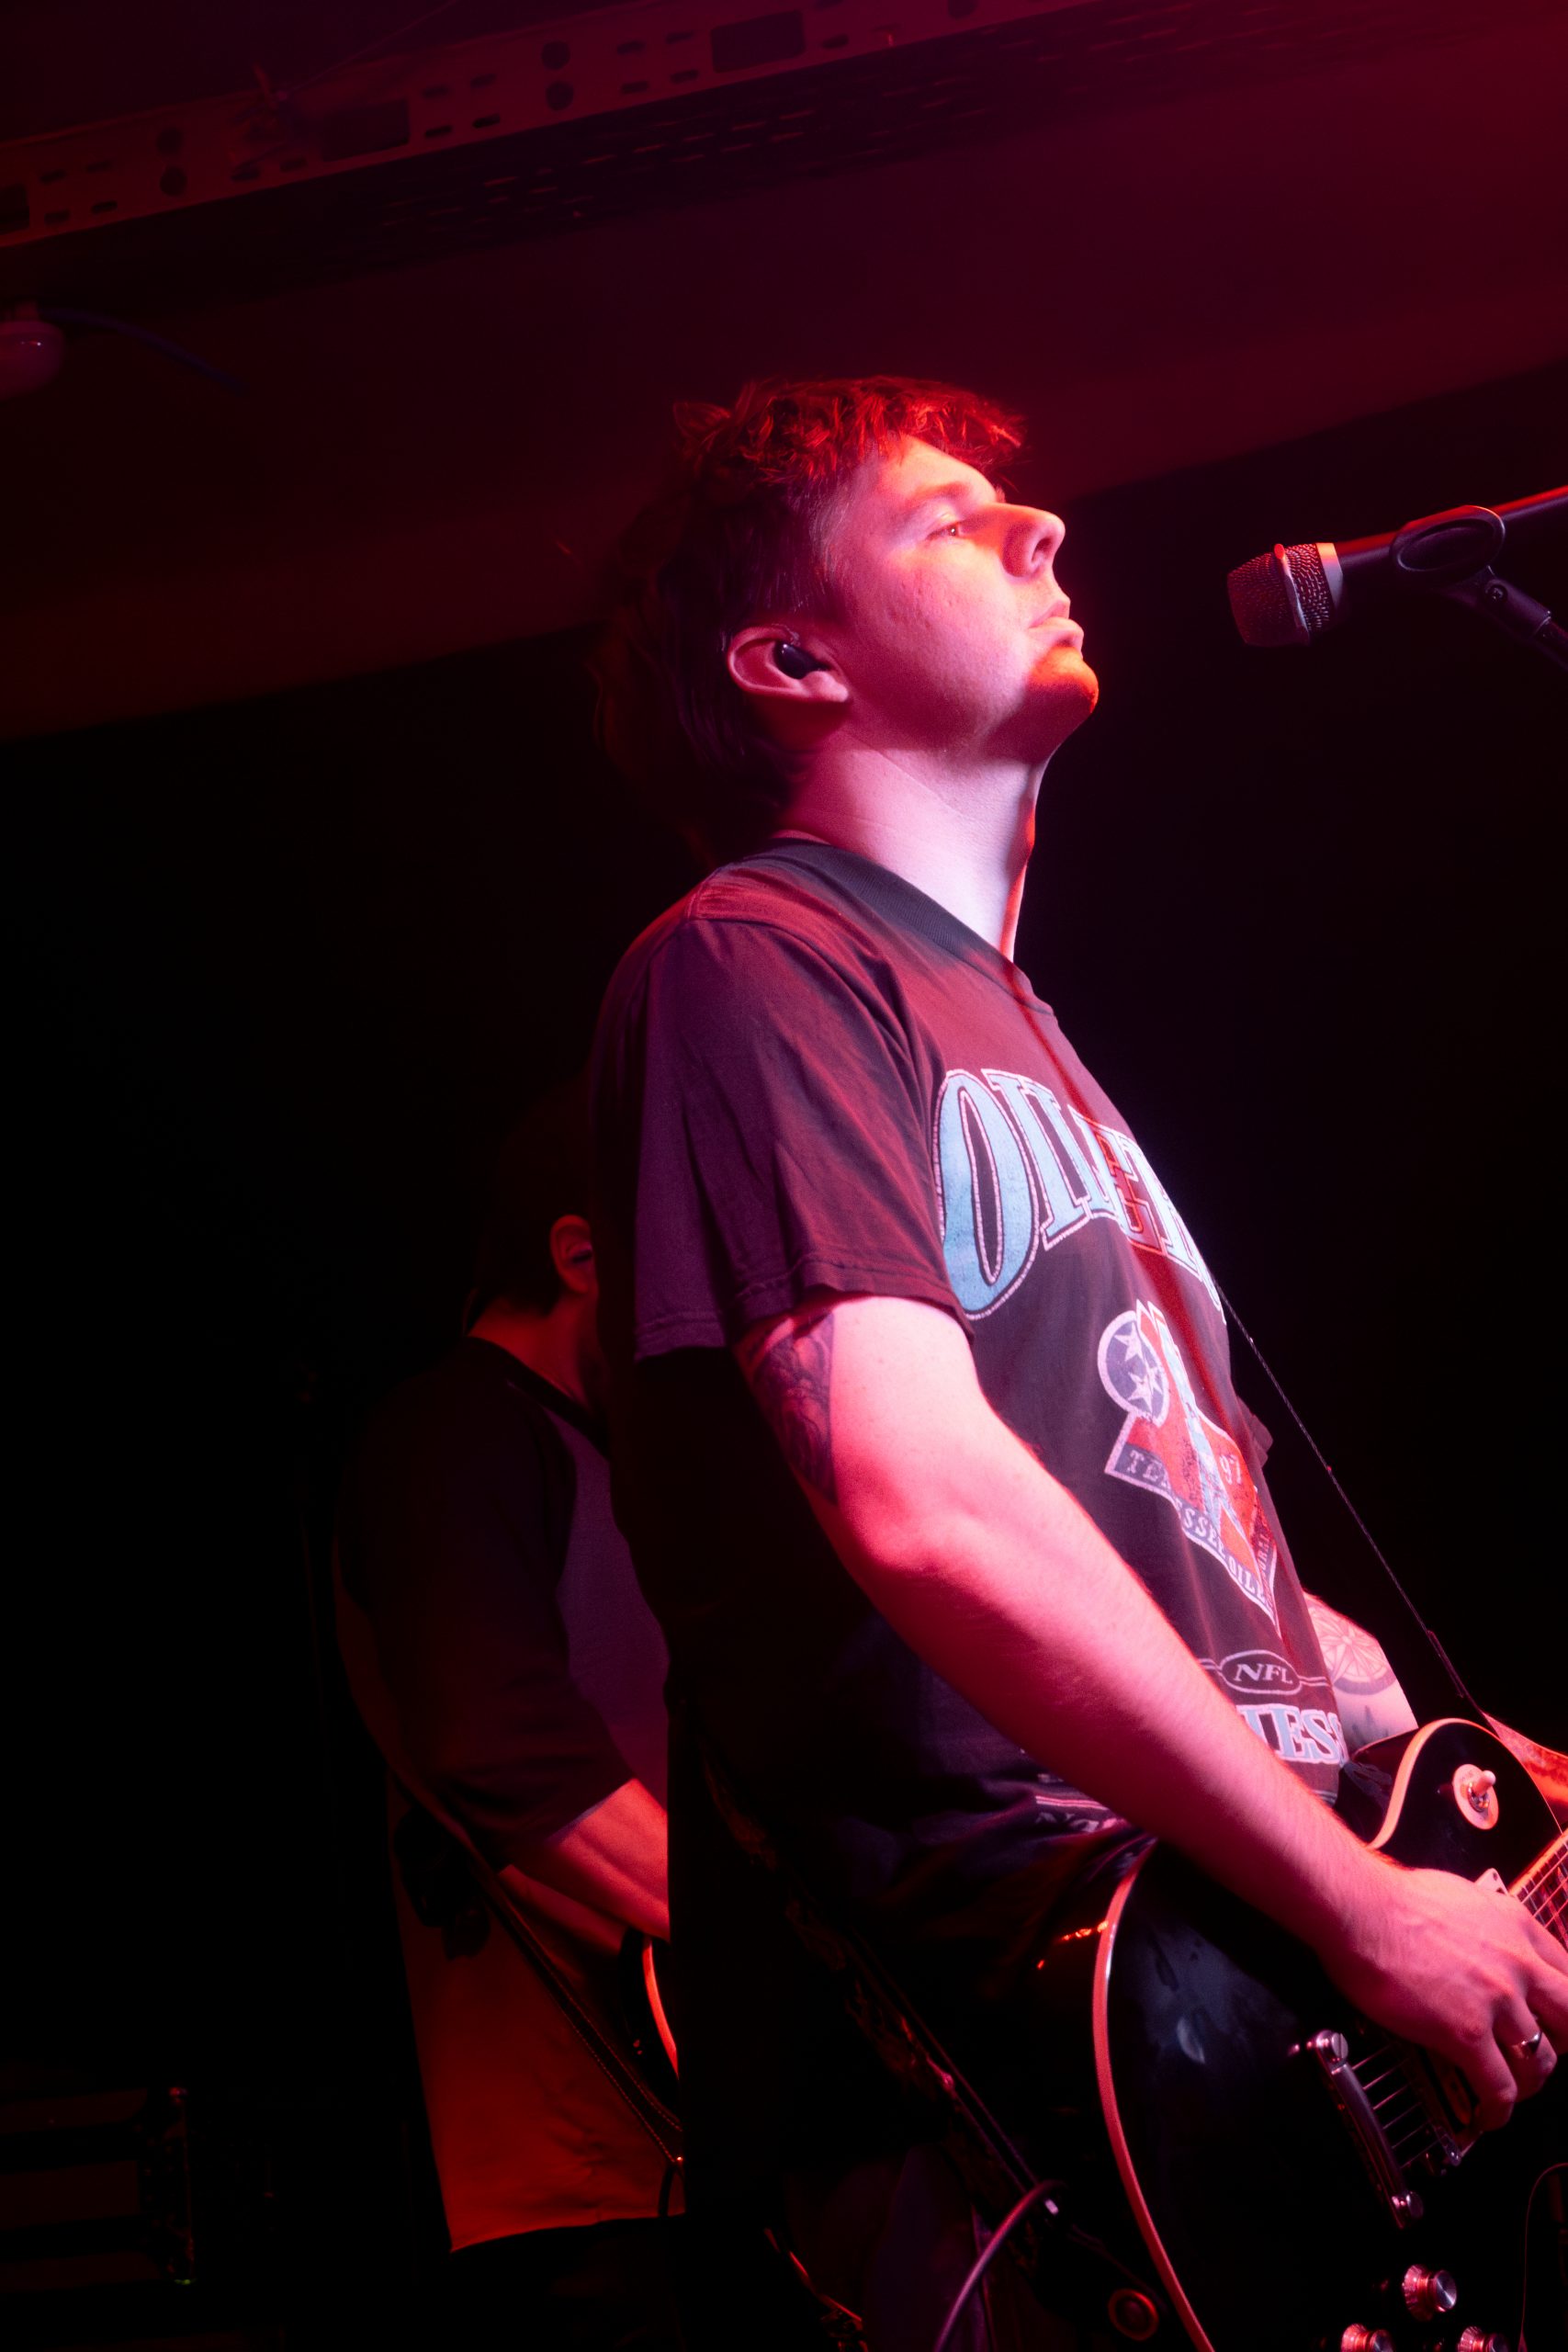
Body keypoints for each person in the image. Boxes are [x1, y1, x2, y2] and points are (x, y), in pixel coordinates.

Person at [586, 379, 1568, 2346]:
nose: (1040, 530)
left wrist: (1496, 1779)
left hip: (1235, 1988)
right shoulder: (753, 958)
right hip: (1038, 2069)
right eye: (949, 519)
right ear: (791, 660)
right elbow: (921, 1500)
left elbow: (1203, 1561)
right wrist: (1357, 1901)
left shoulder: (1027, 1035)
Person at [333, 1081, 683, 2349]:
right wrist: (776, 1959)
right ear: (581, 1257)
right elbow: (499, 1746)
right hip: (577, 2191)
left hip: (664, 2154)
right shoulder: (453, 1433)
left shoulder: (591, 1454)